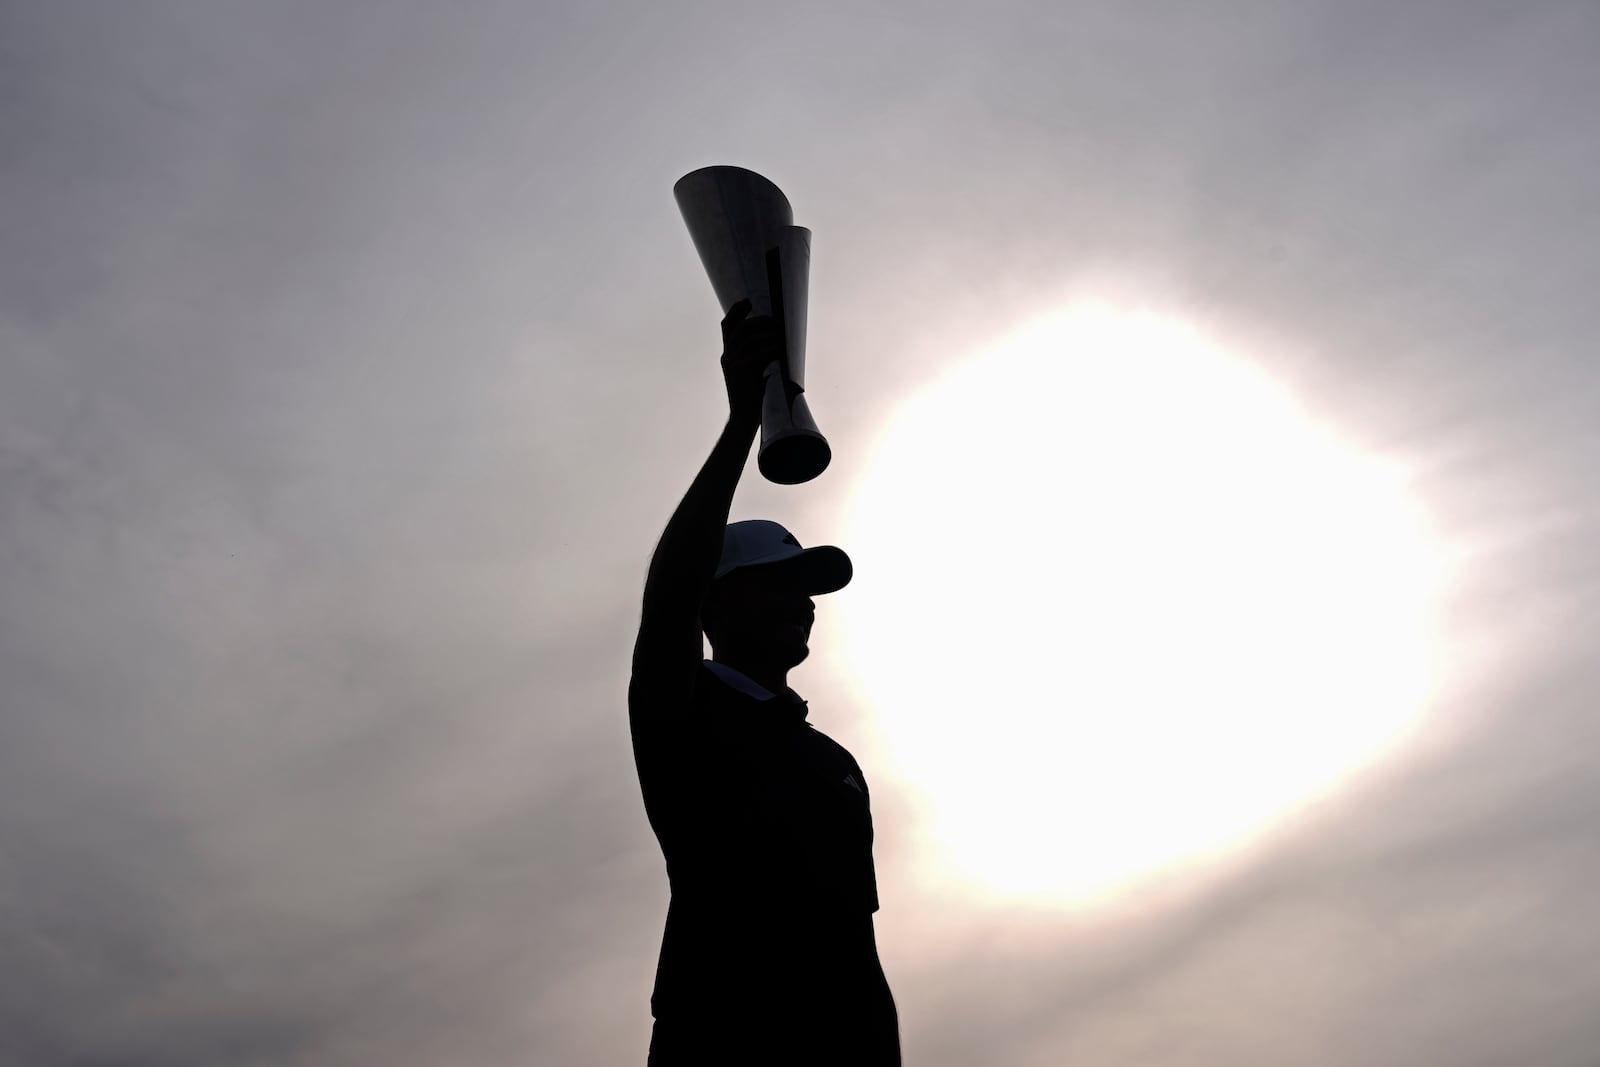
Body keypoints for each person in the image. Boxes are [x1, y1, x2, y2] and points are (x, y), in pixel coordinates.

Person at [629, 301, 900, 1065]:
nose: (801, 602)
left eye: (804, 587)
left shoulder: (835, 763)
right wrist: (742, 421)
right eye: (774, 584)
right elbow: (670, 594)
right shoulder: (683, 709)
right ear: (717, 603)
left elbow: (860, 949)